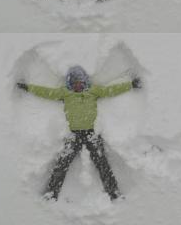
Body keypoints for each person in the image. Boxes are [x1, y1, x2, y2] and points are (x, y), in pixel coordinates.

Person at [16, 65, 142, 201]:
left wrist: (131, 85)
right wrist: (28, 87)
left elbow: (111, 90)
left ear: (85, 82)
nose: (77, 86)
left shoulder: (93, 91)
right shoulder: (65, 93)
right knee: (62, 163)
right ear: (69, 83)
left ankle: (114, 193)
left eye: (80, 83)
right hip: (74, 135)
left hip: (91, 134)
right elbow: (46, 92)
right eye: (74, 83)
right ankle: (51, 193)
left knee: (102, 163)